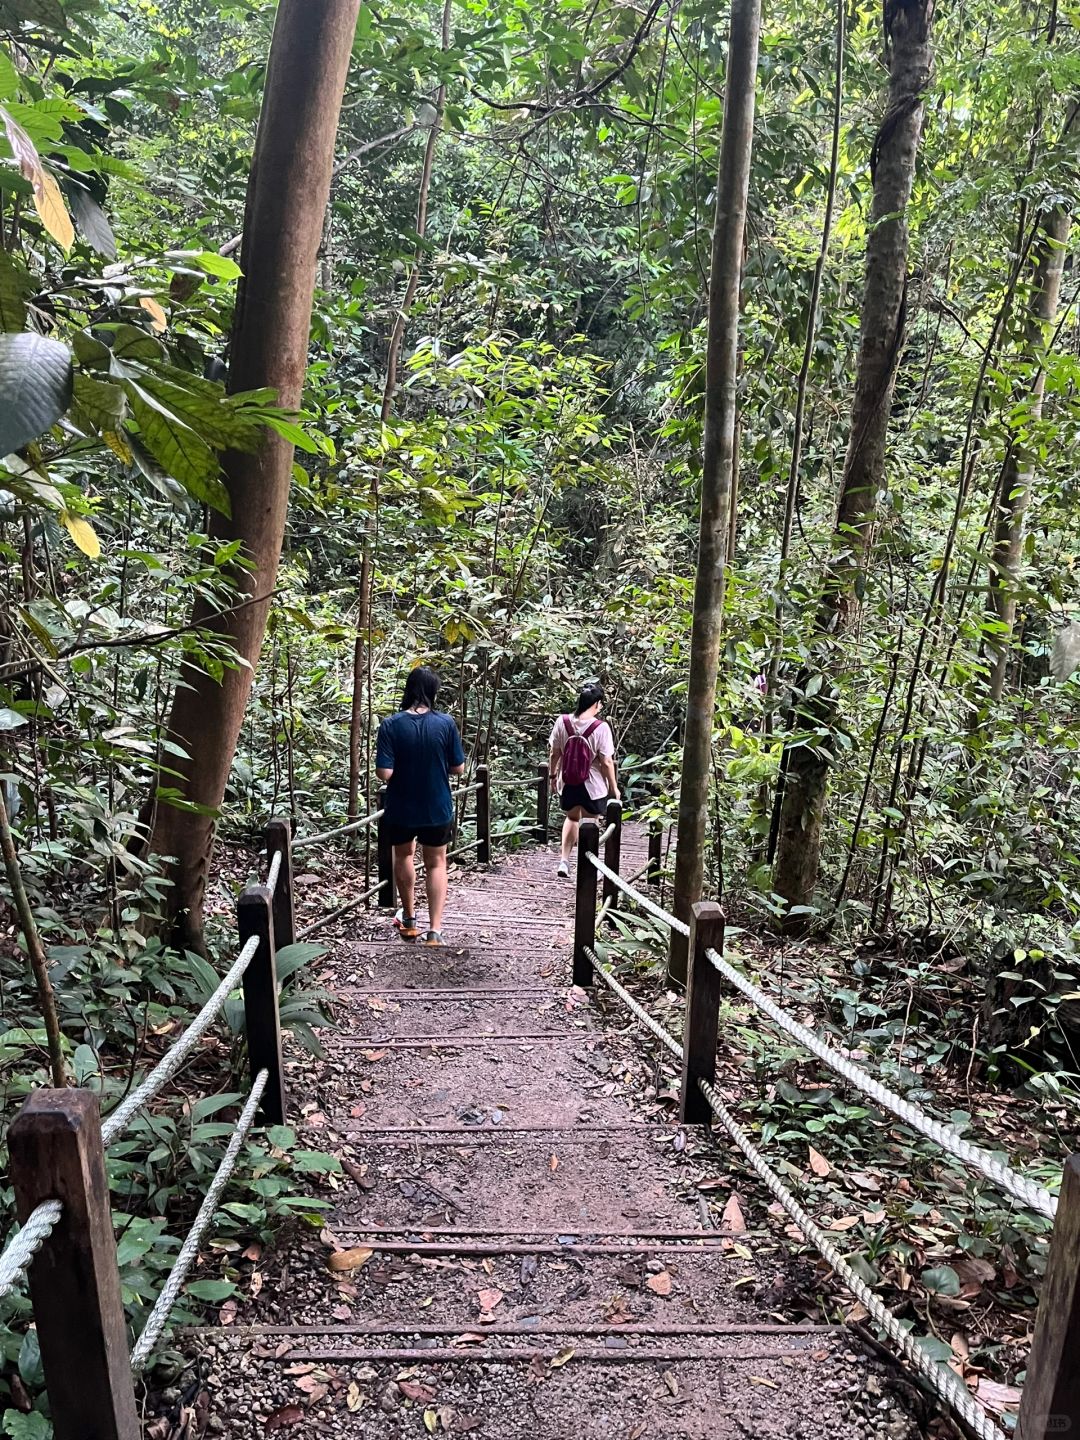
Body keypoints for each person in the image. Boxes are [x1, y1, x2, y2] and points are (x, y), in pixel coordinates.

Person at [375, 666, 465, 945]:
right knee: (436, 863)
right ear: (432, 692)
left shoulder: (391, 725)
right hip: (437, 805)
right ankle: (435, 931)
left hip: (401, 806)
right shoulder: (446, 723)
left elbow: (384, 773)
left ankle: (410, 921)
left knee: (403, 856)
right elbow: (459, 768)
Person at [548, 680, 619, 879]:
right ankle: (589, 867)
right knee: (590, 821)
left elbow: (554, 753)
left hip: (568, 781)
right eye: (601, 703)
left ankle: (564, 861)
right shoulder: (601, 727)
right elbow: (606, 762)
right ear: (596, 703)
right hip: (593, 785)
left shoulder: (562, 722)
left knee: (571, 818)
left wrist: (553, 776)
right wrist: (614, 788)